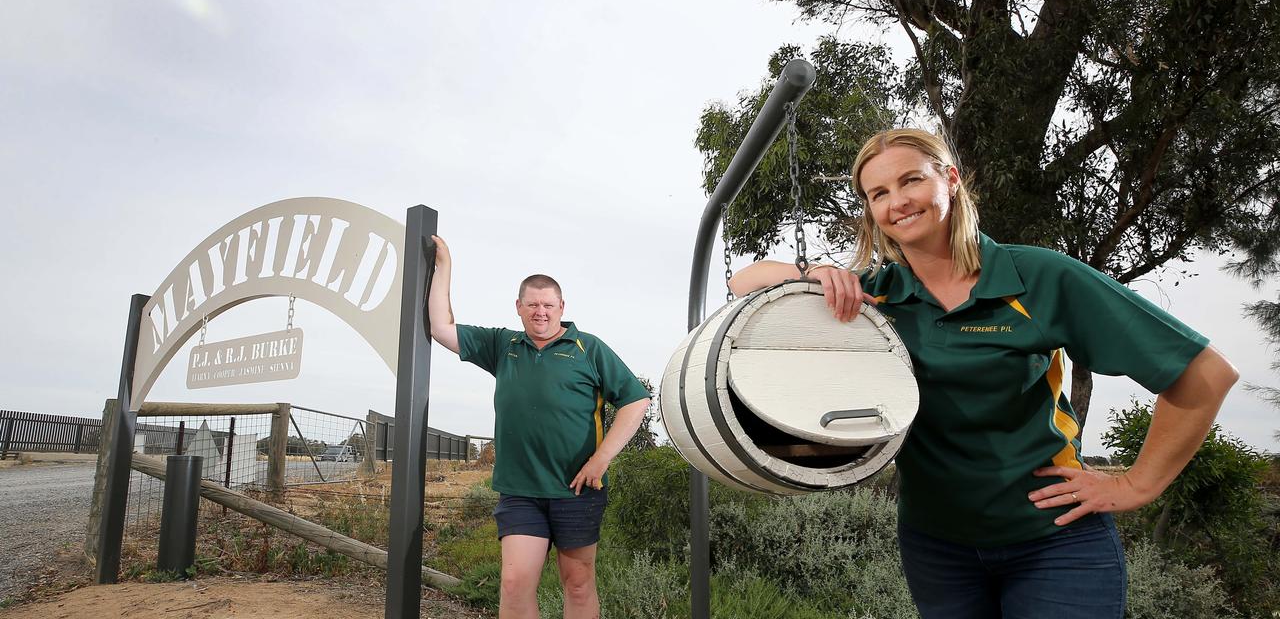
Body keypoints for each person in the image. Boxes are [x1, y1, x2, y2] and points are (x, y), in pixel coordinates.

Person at [728, 128, 1237, 619]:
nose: (897, 201)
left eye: (911, 180)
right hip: (937, 548)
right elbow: (744, 281)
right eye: (878, 192)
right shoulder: (872, 297)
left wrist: (1136, 485)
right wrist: (814, 272)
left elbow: (1205, 374)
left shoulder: (1037, 276)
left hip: (1055, 538)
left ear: (949, 178)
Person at [427, 235, 651, 619]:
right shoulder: (503, 345)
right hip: (521, 490)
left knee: (577, 583)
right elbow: (441, 327)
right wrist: (443, 266)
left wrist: (601, 460)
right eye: (532, 304)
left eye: (548, 305)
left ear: (562, 307)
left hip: (578, 489)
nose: (541, 312)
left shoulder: (588, 348)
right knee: (514, 585)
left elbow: (636, 399)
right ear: (519, 307)